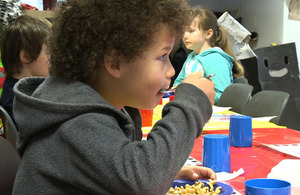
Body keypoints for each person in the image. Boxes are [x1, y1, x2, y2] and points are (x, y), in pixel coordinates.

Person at [12, 0, 216, 194]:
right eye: (162, 57)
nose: (171, 71)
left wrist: (168, 171)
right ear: (116, 62)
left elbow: (122, 173)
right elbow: (144, 183)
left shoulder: (81, 108)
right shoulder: (74, 124)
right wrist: (192, 102)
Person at [173, 7, 244, 104]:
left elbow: (221, 96)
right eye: (184, 31)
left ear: (208, 33)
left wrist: (191, 94)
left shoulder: (216, 59)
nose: (185, 36)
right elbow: (178, 84)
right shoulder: (192, 57)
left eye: (191, 31)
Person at [0, 14, 51, 124]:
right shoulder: (20, 100)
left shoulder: (12, 87)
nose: (53, 57)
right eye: (48, 52)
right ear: (26, 56)